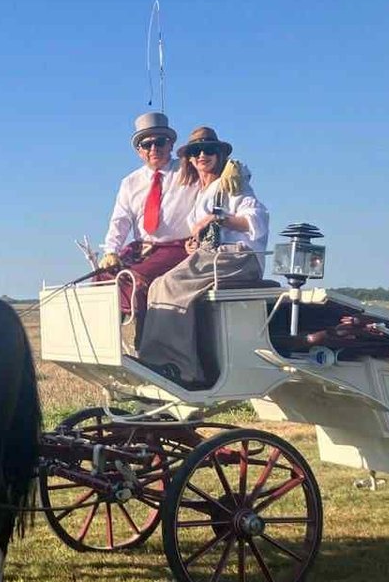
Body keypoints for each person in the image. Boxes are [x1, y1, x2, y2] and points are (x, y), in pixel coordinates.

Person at [137, 126, 270, 386]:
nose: (202, 155)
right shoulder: (201, 192)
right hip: (214, 257)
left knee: (171, 285)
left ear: (219, 155)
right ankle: (157, 358)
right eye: (196, 151)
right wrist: (194, 245)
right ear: (188, 158)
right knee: (157, 286)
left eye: (209, 150)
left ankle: (181, 368)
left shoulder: (232, 182)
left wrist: (219, 218)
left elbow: (258, 220)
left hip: (241, 258)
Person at [98, 112, 200, 321]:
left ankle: (148, 338)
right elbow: (120, 220)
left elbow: (214, 163)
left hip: (177, 248)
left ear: (171, 144)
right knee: (102, 279)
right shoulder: (130, 182)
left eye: (160, 142)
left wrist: (234, 171)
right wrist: (111, 251)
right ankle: (107, 345)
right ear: (139, 151)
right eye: (147, 145)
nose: (154, 149)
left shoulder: (189, 169)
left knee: (134, 279)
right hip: (142, 247)